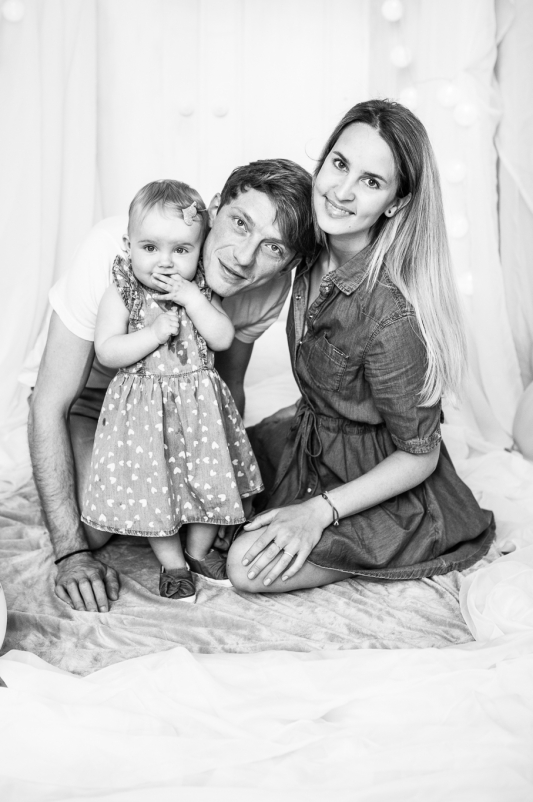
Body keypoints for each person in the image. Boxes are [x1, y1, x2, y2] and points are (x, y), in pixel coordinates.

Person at [226, 100, 495, 593]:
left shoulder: (390, 315)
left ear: (394, 203)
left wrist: (317, 512)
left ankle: (392, 538)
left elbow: (420, 454)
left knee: (246, 565)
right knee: (206, 482)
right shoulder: (308, 248)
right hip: (313, 442)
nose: (342, 192)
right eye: (340, 164)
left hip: (381, 480)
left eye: (371, 181)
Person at [27, 159, 313, 612]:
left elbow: (228, 384)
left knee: (216, 500)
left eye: (272, 248)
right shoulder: (115, 255)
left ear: (289, 263)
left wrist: (223, 491)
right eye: (240, 223)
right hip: (93, 404)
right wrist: (70, 553)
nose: (243, 257)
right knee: (93, 532)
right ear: (214, 209)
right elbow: (50, 404)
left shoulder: (268, 289)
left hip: (183, 407)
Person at [81, 180, 262, 602]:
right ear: (129, 246)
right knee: (154, 490)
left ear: (199, 249)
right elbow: (107, 350)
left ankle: (197, 552)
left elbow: (222, 338)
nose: (165, 261)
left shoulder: (200, 290)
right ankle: (173, 564)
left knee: (209, 483)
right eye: (150, 248)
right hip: (145, 415)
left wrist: (193, 299)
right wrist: (153, 334)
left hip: (199, 414)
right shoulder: (124, 291)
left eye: (181, 250)